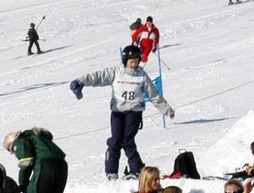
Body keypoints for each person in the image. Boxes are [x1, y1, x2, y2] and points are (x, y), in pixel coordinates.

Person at [70, 45, 176, 180]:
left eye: (136, 62)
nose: (134, 64)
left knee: (127, 141)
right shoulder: (116, 72)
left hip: (134, 112)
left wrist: (167, 110)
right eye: (131, 61)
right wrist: (81, 81)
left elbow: (153, 94)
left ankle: (137, 170)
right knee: (115, 141)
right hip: (117, 112)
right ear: (125, 60)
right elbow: (98, 77)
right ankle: (111, 172)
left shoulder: (142, 75)